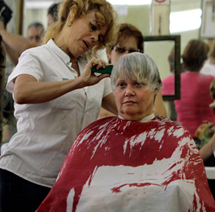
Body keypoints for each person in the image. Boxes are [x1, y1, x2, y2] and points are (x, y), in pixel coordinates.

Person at [37, 53, 215, 212]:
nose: (129, 92)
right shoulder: (91, 136)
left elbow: (194, 198)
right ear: (114, 90)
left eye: (138, 84)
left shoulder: (177, 137)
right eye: (122, 85)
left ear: (155, 90)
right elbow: (63, 196)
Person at [0, 0, 117, 211]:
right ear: (72, 14)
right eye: (92, 27)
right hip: (23, 177)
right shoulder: (37, 56)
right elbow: (22, 92)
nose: (94, 38)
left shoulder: (93, 69)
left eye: (99, 36)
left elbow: (123, 108)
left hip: (65, 183)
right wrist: (78, 82)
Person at [98, 23, 167, 119]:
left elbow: (161, 118)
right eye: (120, 49)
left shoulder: (149, 82)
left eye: (132, 51)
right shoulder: (99, 81)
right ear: (109, 53)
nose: (126, 55)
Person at [174, 39, 215, 140]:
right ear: (204, 60)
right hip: (208, 135)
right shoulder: (210, 80)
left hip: (182, 136)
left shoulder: (174, 80)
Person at [0, 2, 59, 66]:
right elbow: (19, 63)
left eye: (50, 25)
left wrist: (1, 31)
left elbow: (29, 47)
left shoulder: (53, 50)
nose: (48, 29)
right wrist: (2, 36)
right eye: (31, 38)